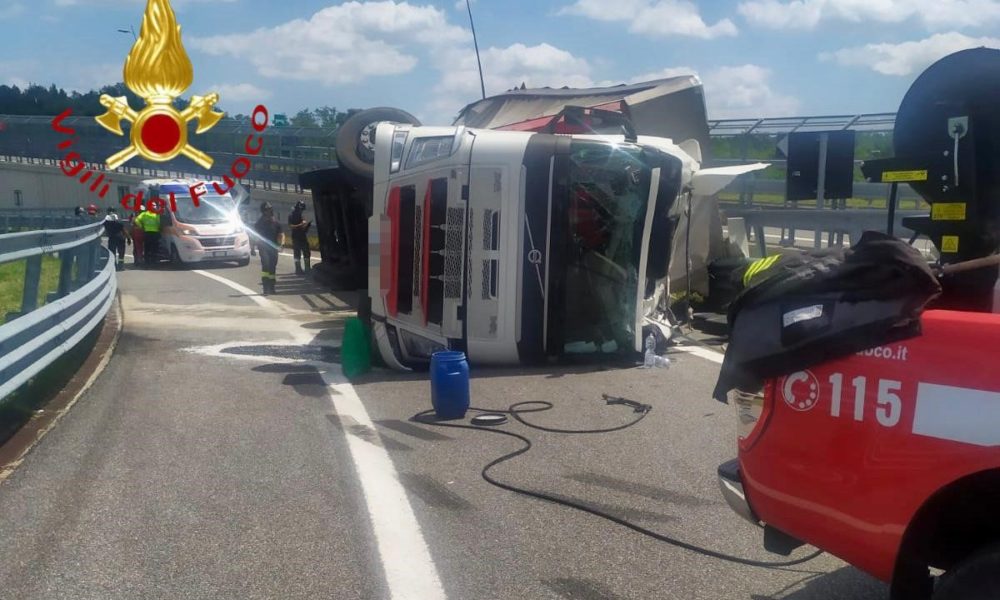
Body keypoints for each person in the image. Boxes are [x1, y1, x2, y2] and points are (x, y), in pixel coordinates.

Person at [254, 202, 283, 294]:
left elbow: (281, 234)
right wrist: (252, 248)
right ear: (263, 211)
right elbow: (254, 236)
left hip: (273, 247)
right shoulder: (259, 223)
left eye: (270, 209)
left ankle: (272, 287)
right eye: (267, 210)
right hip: (263, 247)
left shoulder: (276, 223)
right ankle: (265, 287)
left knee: (272, 267)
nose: (269, 211)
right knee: (266, 265)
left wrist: (281, 244)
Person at [288, 200, 312, 274]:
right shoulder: (291, 216)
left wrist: (307, 226)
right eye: (301, 210)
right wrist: (300, 225)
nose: (301, 211)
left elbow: (303, 227)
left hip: (302, 236)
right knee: (297, 254)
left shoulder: (301, 216)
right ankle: (298, 269)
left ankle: (307, 268)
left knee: (306, 252)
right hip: (296, 237)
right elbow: (291, 226)